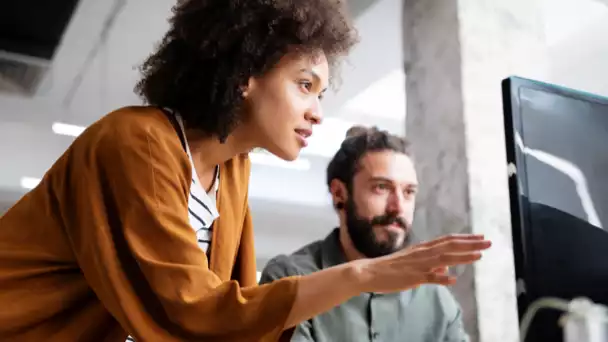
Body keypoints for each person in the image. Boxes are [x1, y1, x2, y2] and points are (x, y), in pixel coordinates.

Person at [0, 1, 491, 341]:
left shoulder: (231, 171)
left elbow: (234, 315)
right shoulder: (137, 143)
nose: (318, 111)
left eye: (321, 93)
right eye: (304, 84)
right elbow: (193, 315)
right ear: (243, 76)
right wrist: (361, 275)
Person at [261, 126, 471, 342]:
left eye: (408, 192)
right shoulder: (289, 281)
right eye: (381, 187)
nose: (398, 207)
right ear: (339, 193)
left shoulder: (436, 298)